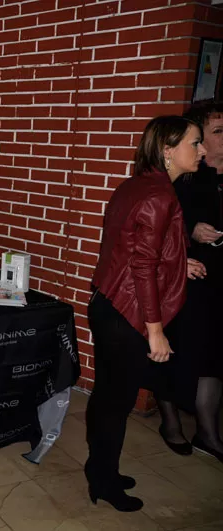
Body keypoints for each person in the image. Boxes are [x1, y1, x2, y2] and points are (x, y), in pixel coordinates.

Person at [85, 115, 207, 512]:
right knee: (116, 402)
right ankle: (104, 480)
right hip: (127, 313)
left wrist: (179, 263)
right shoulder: (159, 195)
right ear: (168, 151)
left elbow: (134, 248)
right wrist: (155, 331)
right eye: (195, 142)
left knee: (107, 396)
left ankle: (100, 468)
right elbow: (142, 265)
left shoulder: (136, 185)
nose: (202, 150)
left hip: (108, 303)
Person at [156, 100, 223, 462]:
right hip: (186, 278)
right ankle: (170, 422)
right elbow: (156, 228)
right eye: (218, 131)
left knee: (215, 354)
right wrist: (190, 232)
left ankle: (208, 432)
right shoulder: (183, 177)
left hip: (218, 279)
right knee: (175, 349)